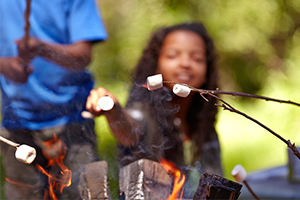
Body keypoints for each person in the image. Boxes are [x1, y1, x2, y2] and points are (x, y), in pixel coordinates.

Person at [86, 22, 223, 197]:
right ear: (156, 65)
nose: (185, 63)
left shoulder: (205, 130)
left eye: (197, 58)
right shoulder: (145, 112)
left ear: (207, 72)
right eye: (173, 55)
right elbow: (131, 130)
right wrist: (113, 110)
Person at [0, 0, 108, 199]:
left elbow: (82, 57)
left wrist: (42, 48)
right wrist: (4, 65)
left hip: (73, 119)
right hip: (17, 122)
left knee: (84, 193)